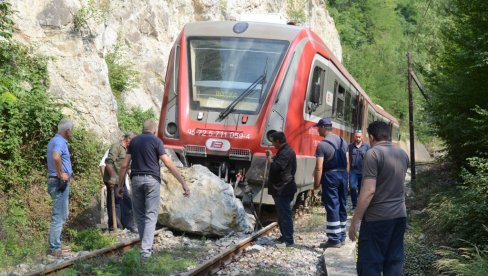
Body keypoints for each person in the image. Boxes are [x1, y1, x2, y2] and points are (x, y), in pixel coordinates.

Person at [118, 120, 190, 260]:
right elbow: (167, 163)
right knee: (151, 215)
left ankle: (144, 248)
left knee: (139, 215)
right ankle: (145, 252)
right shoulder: (156, 141)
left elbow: (124, 165)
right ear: (155, 130)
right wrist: (183, 183)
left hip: (136, 180)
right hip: (152, 180)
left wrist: (120, 185)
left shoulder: (134, 142)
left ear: (142, 129)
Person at [348, 121, 409, 275]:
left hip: (377, 219)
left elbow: (369, 190)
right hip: (400, 217)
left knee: (370, 264)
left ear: (371, 137)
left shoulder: (373, 153)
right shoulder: (402, 154)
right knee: (394, 262)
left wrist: (355, 221)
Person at [313, 117, 348, 248]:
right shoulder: (343, 141)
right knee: (342, 204)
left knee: (333, 205)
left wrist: (316, 184)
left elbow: (319, 167)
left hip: (331, 175)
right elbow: (348, 161)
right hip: (343, 174)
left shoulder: (322, 145)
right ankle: (342, 236)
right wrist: (347, 178)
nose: (317, 130)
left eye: (318, 128)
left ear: (323, 127)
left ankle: (334, 239)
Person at [46, 119, 74, 257]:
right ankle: (54, 248)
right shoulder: (59, 142)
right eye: (71, 130)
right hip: (58, 182)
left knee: (62, 214)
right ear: (67, 130)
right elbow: (56, 157)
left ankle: (56, 243)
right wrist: (61, 174)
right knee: (59, 215)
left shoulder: (55, 140)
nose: (72, 132)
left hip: (57, 181)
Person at [266, 131, 297, 246]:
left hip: (283, 188)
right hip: (282, 187)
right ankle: (284, 236)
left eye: (273, 141)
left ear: (278, 141)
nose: (272, 144)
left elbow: (276, 167)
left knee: (285, 215)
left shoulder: (286, 153)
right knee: (281, 214)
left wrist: (270, 159)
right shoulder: (284, 151)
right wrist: (273, 156)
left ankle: (288, 240)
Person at [104, 132, 137, 232]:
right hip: (113, 179)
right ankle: (114, 227)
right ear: (128, 139)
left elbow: (127, 165)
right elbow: (108, 162)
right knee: (115, 202)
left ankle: (128, 225)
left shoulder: (128, 150)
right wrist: (113, 177)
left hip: (121, 180)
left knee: (126, 201)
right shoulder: (116, 147)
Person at [347, 130, 370, 211]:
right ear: (354, 136)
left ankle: (360, 206)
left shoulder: (367, 147)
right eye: (356, 137)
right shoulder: (350, 146)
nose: (358, 138)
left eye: (359, 137)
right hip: (353, 171)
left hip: (363, 171)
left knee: (361, 190)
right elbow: (347, 159)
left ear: (362, 137)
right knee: (352, 187)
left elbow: (370, 159)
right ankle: (354, 205)